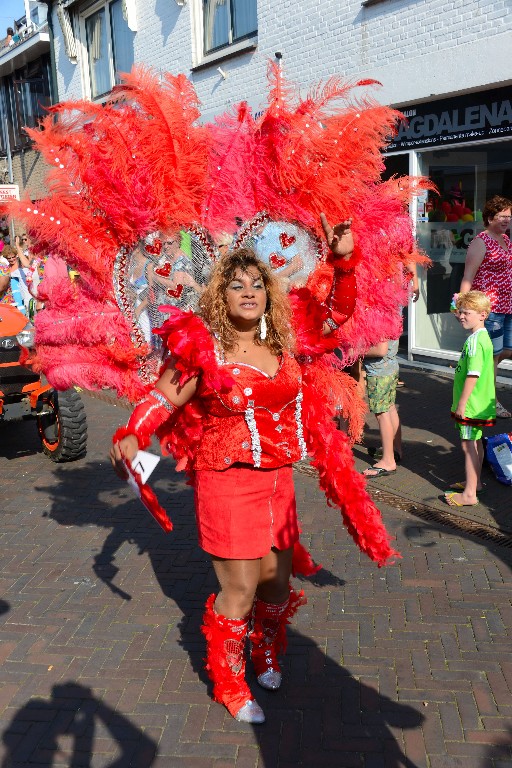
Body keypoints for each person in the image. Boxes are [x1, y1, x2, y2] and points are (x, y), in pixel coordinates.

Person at [110, 215, 398, 724]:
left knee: (275, 584)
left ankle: (266, 649)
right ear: (221, 297)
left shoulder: (284, 342)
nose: (249, 291)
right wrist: (134, 432)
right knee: (238, 590)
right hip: (226, 480)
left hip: (278, 481)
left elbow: (337, 314)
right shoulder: (203, 348)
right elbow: (160, 398)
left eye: (257, 284)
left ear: (269, 295)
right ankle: (230, 681)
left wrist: (345, 261)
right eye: (236, 285)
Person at [459, 195, 512, 418]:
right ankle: (490, 399)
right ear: (490, 217)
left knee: (504, 352)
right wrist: (460, 306)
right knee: (492, 356)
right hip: (489, 309)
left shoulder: (506, 240)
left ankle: (479, 384)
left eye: (509, 217)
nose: (507, 221)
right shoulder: (481, 241)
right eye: (503, 217)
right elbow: (468, 277)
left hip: (508, 306)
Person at [445, 291, 495, 507]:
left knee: (468, 446)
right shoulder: (483, 337)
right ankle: (476, 483)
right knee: (476, 442)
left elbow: (473, 374)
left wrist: (462, 403)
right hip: (480, 404)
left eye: (467, 313)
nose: (462, 316)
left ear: (482, 315)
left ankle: (469, 494)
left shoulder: (475, 342)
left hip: (471, 405)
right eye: (461, 312)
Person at [361, 338, 402, 477]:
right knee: (390, 408)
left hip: (378, 372)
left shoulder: (379, 316)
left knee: (381, 413)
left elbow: (380, 350)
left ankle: (388, 461)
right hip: (390, 367)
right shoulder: (394, 314)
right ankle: (395, 450)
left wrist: (354, 351)